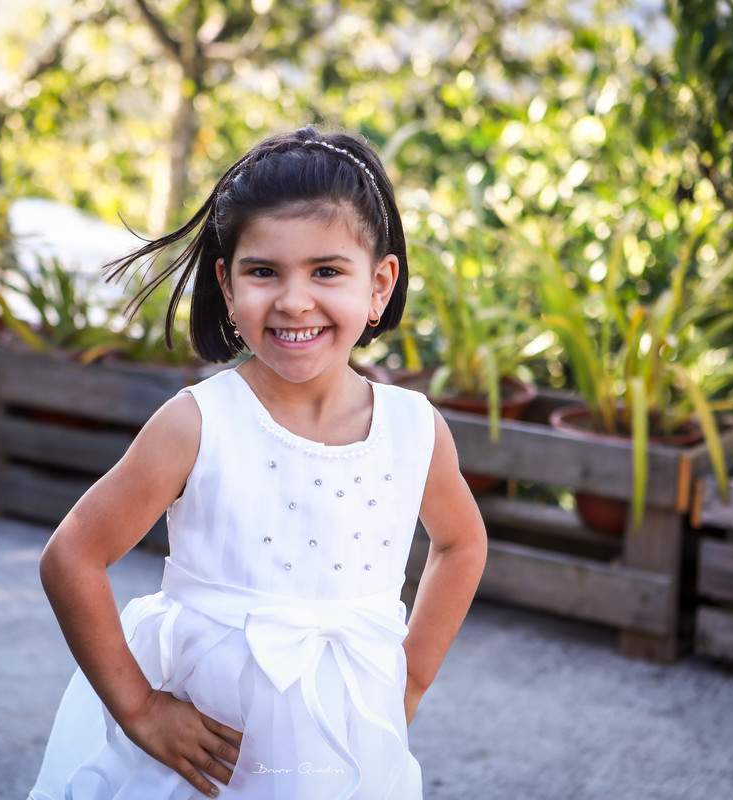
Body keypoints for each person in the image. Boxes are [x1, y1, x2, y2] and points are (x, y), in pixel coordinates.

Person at [28, 125, 488, 800]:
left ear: (379, 284)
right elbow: (71, 556)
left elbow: (462, 541)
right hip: (207, 757)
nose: (294, 300)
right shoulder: (198, 423)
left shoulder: (413, 430)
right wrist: (141, 710)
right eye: (264, 271)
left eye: (326, 271)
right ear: (227, 283)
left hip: (346, 749)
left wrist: (411, 678)